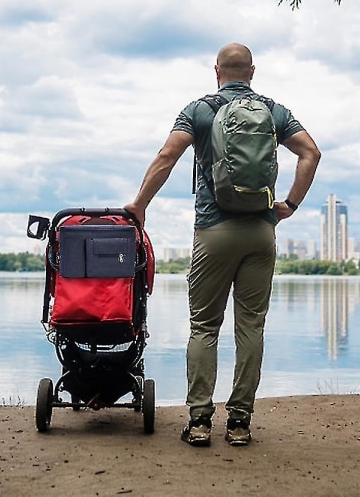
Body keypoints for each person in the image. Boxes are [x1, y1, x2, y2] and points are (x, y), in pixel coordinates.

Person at [124, 43, 320, 447]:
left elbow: (167, 156)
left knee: (204, 326)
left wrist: (139, 205)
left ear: (216, 70)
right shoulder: (273, 111)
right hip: (261, 232)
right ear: (252, 71)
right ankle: (240, 424)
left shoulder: (199, 110)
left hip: (214, 232)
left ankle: (199, 423)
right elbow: (311, 153)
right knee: (251, 327)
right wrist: (289, 206)